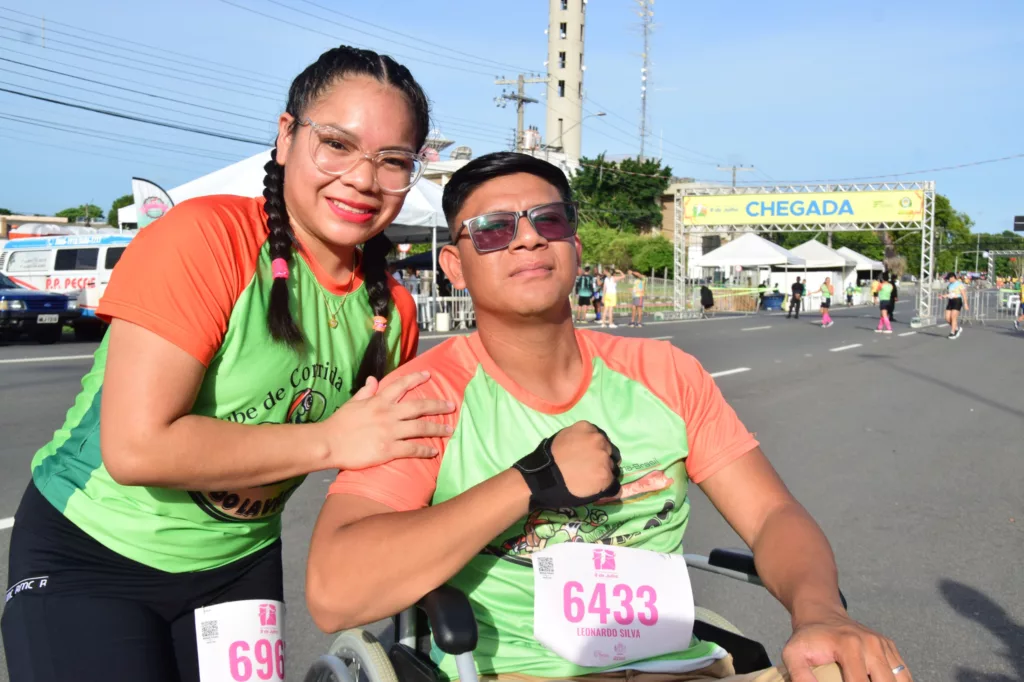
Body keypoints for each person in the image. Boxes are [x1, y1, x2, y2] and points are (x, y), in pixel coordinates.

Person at [306, 153, 912, 682]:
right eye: (491, 230)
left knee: (848, 668)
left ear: (574, 245)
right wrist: (531, 481)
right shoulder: (424, 394)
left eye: (549, 221)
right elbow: (335, 592)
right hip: (515, 674)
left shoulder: (666, 374)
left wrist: (821, 614)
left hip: (683, 669)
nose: (527, 239)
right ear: (454, 266)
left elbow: (773, 514)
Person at [1, 46, 455, 682]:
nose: (362, 177)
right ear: (286, 135)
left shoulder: (394, 311)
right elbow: (137, 450)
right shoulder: (204, 237)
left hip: (237, 566)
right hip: (92, 554)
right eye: (337, 144)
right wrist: (330, 440)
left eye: (393, 161)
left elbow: (391, 477)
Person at [943, 272, 968, 339]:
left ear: (953, 277)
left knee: (953, 317)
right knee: (947, 318)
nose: (948, 280)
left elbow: (964, 294)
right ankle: (956, 328)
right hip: (950, 301)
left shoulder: (959, 284)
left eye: (949, 278)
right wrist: (944, 296)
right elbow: (950, 294)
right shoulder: (949, 285)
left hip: (957, 301)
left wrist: (965, 303)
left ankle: (953, 332)